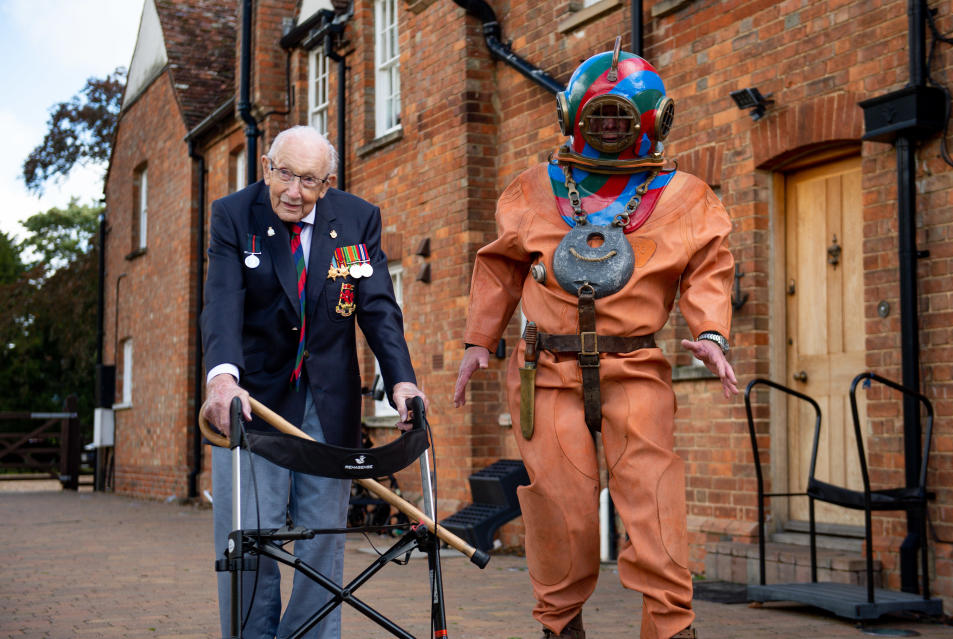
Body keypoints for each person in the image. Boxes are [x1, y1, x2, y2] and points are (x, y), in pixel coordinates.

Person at [453, 40, 737, 639]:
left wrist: (710, 331)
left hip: (635, 366)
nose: (610, 128)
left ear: (654, 120)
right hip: (546, 371)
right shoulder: (532, 189)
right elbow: (500, 265)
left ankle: (670, 628)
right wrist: (480, 339)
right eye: (598, 115)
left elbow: (710, 267)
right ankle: (561, 627)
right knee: (562, 512)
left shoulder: (685, 196)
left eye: (621, 116)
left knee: (654, 504)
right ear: (573, 117)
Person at [200, 125, 427, 639]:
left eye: (309, 180)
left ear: (328, 183)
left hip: (329, 406)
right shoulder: (234, 216)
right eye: (284, 174)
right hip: (253, 403)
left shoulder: (357, 218)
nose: (293, 192)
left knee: (323, 543)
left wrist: (402, 384)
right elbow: (222, 304)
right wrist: (222, 382)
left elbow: (378, 309)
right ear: (265, 166)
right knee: (249, 537)